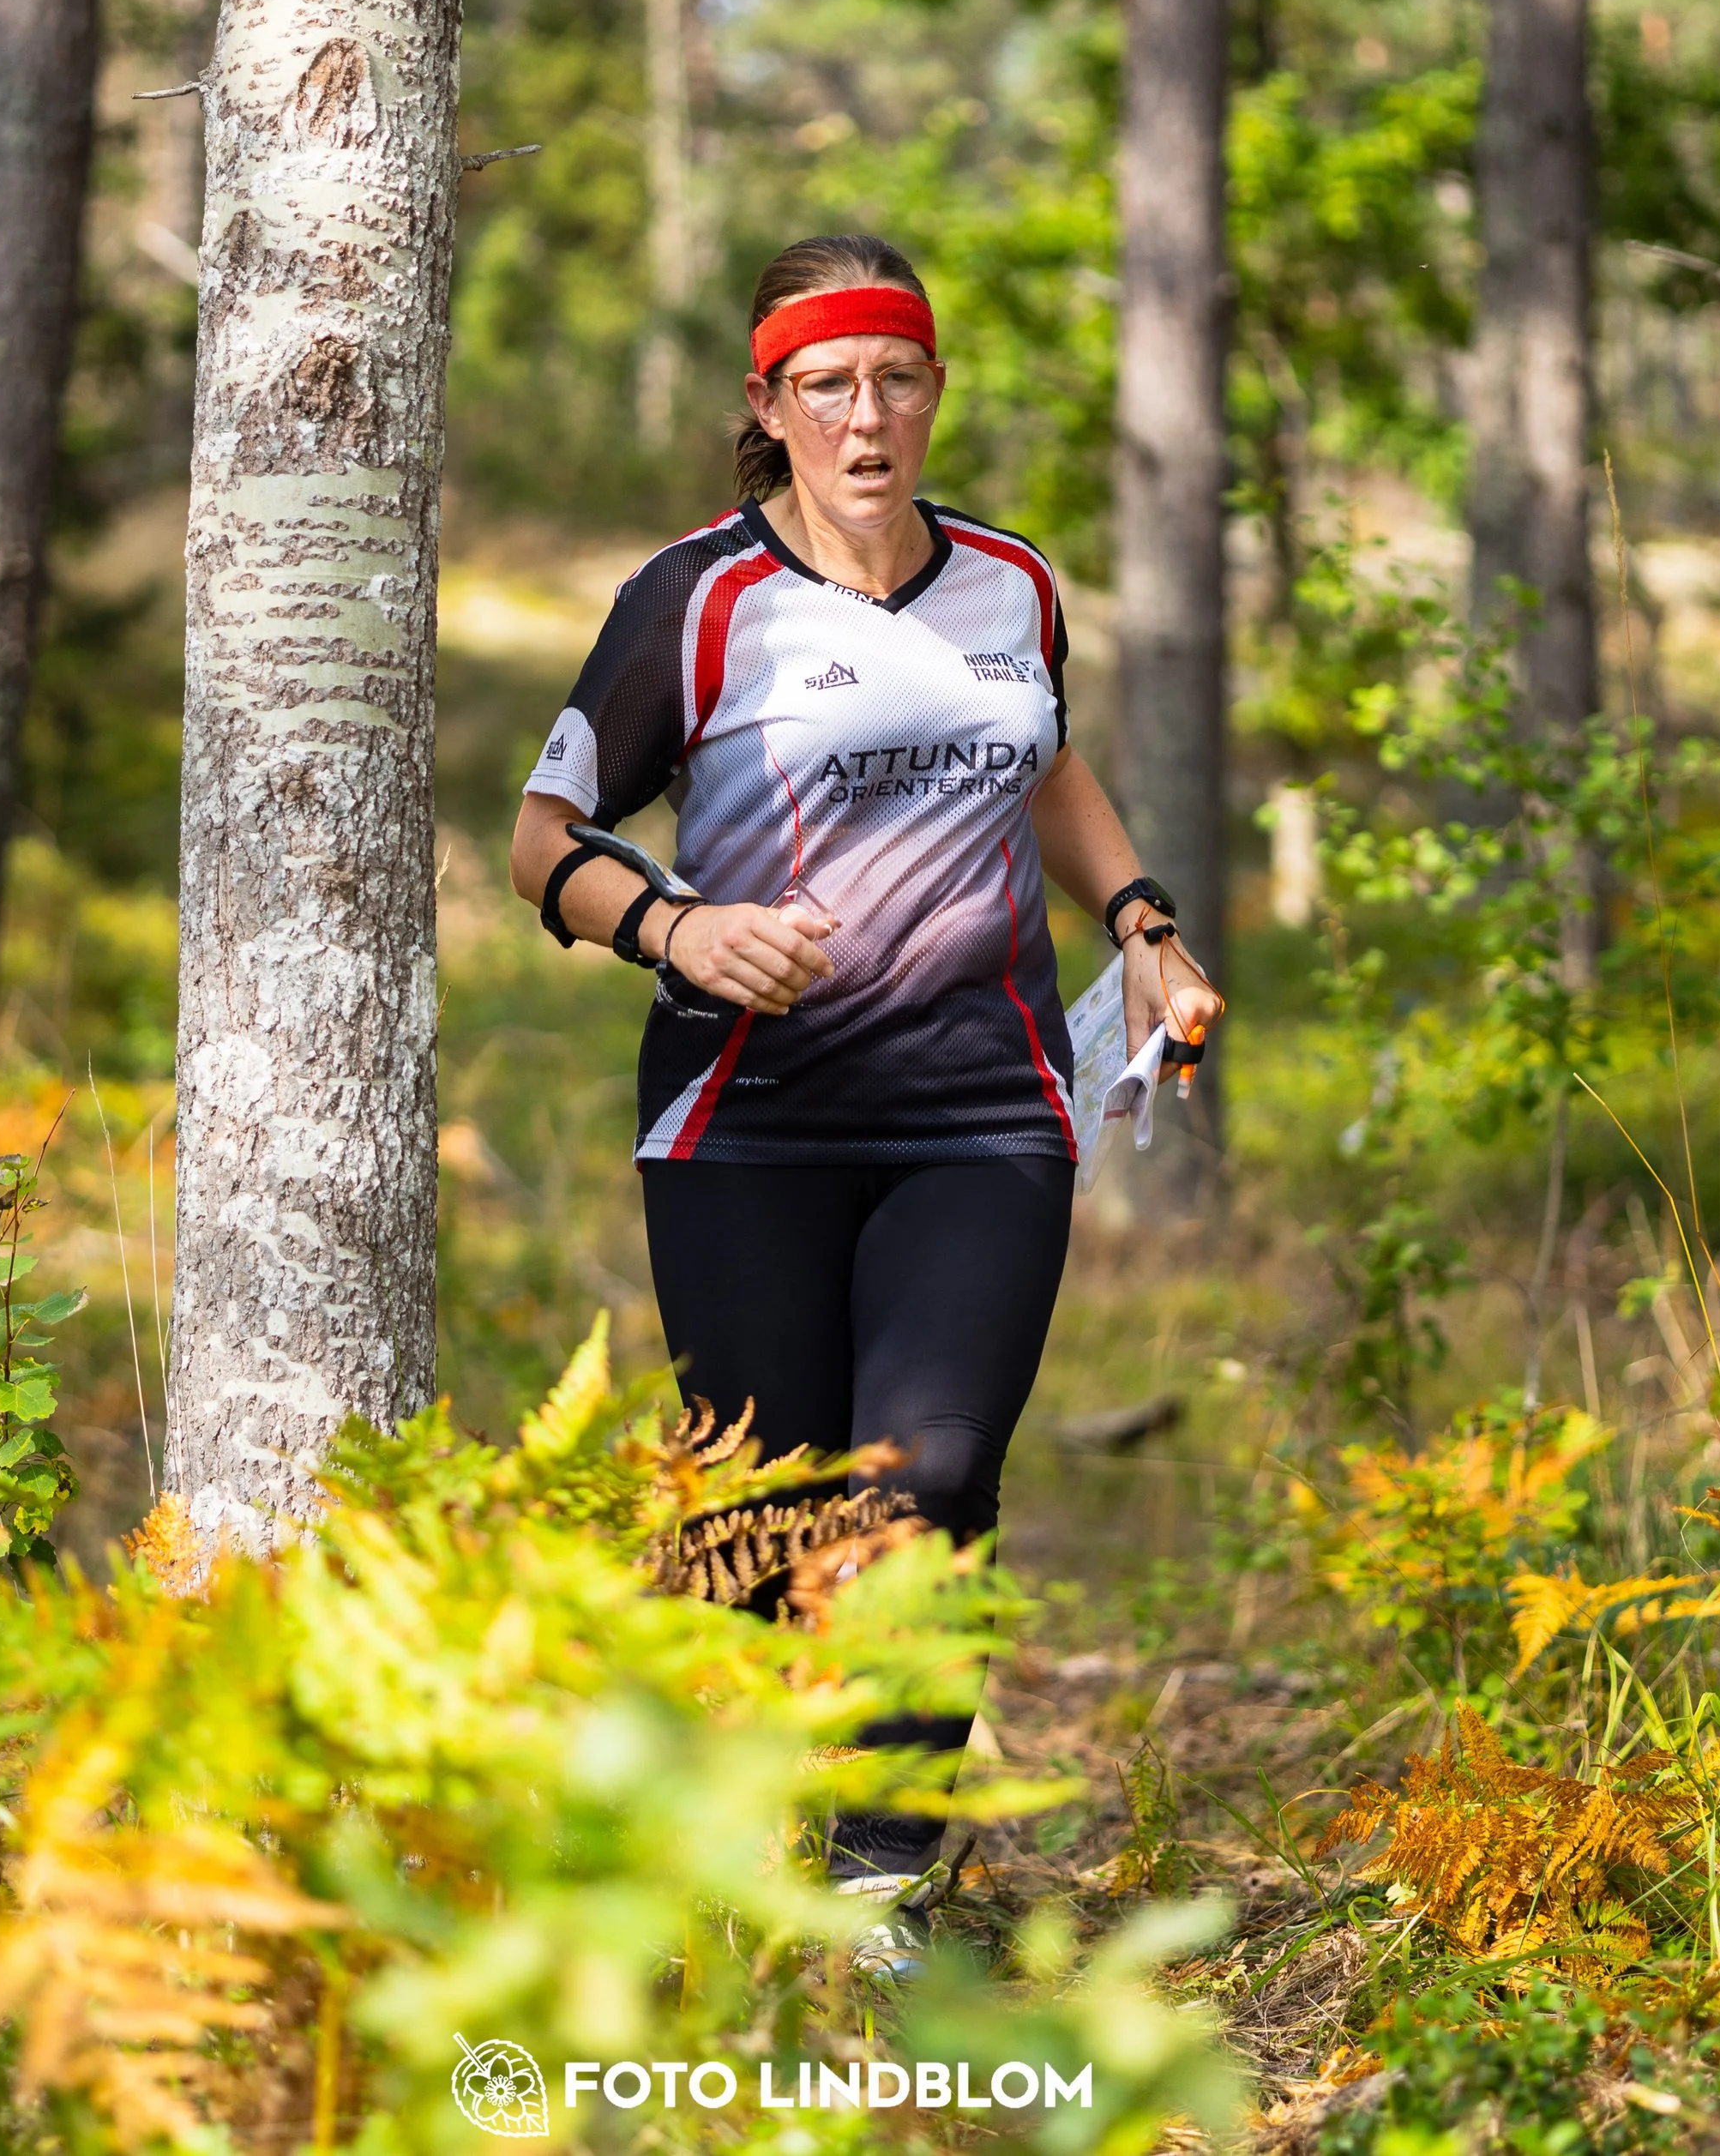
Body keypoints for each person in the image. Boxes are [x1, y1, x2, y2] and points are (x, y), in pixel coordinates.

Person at [509, 232, 1223, 1946]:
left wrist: (1138, 922)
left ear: (932, 391)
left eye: (894, 377)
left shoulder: (1008, 581)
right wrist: (674, 928)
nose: (864, 416)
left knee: (932, 1474)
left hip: (979, 1110)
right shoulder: (694, 600)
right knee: (764, 1516)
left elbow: (1042, 764)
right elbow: (543, 842)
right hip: (742, 1123)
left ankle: (882, 1878)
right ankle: (713, 1834)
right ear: (768, 407)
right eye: (825, 385)